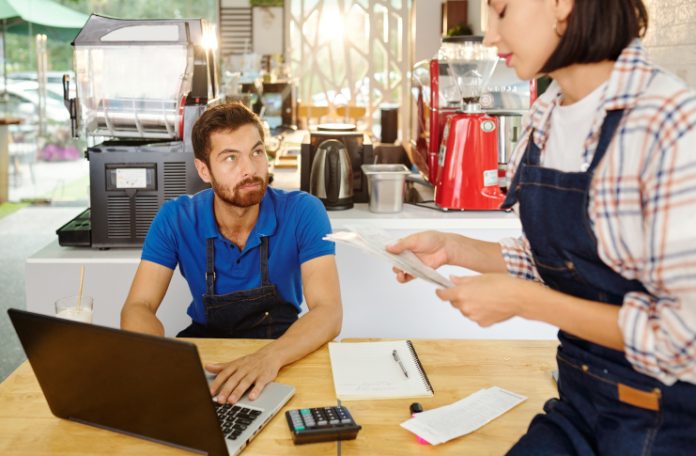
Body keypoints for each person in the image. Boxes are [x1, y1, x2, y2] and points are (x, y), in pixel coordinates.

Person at [389, 0, 696, 453]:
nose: (490, 36)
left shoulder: (668, 124)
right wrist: (452, 247)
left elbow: (683, 338)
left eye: (501, 10)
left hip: (664, 420)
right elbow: (557, 262)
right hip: (580, 404)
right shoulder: (546, 115)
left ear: (561, 5)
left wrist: (530, 304)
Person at [121, 103, 342, 405]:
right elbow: (138, 305)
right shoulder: (175, 218)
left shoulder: (304, 211)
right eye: (230, 158)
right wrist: (157, 356)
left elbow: (328, 311)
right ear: (204, 170)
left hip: (285, 351)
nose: (250, 169)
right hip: (207, 355)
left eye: (257, 152)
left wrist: (268, 358)